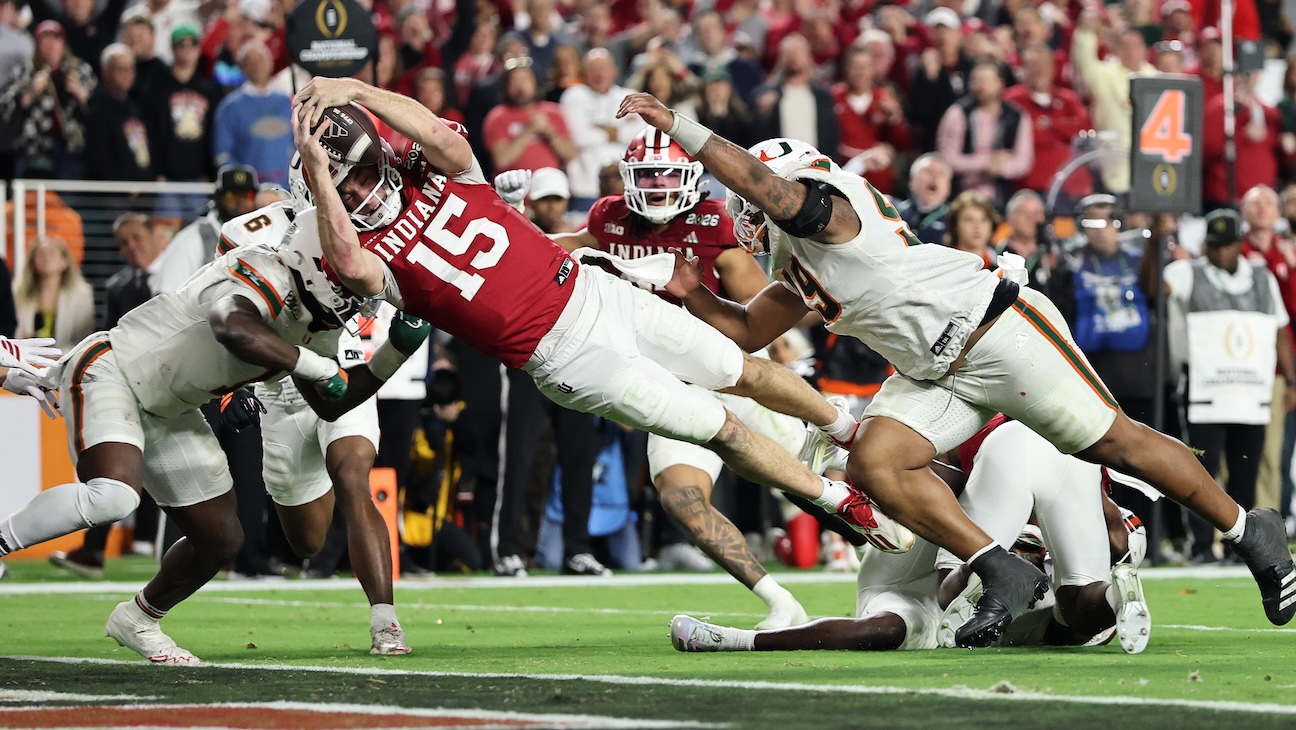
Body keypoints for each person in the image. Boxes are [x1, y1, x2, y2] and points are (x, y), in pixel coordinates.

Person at [614, 91, 1296, 648]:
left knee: (1115, 442)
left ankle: (1247, 528)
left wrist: (678, 126)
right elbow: (746, 329)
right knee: (875, 463)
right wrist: (692, 292)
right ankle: (998, 568)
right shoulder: (797, 256)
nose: (745, 213)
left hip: (996, 331)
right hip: (933, 371)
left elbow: (762, 186)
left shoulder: (832, 208)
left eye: (752, 197)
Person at [288, 78, 911, 558]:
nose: (359, 191)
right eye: (342, 189)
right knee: (715, 436)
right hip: (563, 350)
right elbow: (351, 263)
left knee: (741, 372)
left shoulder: (441, 171)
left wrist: (355, 90)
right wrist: (321, 171)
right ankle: (831, 509)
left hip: (602, 296)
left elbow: (434, 132)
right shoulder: (366, 251)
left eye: (361, 174)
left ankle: (848, 437)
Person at [0, 211, 424, 663]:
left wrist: (392, 354)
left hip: (171, 409)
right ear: (316, 263)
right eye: (345, 277)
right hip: (113, 370)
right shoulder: (261, 266)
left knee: (221, 539)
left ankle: (138, 619)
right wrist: (315, 365)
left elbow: (329, 403)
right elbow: (233, 327)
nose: (354, 292)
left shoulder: (314, 323)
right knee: (114, 496)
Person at [503, 128, 811, 627]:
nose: (659, 187)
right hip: (671, 385)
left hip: (731, 374)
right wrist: (512, 213)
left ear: (690, 178)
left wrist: (786, 355)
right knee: (680, 497)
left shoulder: (714, 222)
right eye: (647, 176)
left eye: (667, 175)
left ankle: (893, 545)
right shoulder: (609, 219)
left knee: (812, 475)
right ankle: (779, 601)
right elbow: (550, 252)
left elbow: (757, 312)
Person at [671, 416, 1151, 654]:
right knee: (1067, 608)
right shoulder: (1075, 496)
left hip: (960, 569)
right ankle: (1109, 591)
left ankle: (735, 639)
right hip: (933, 542)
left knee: (898, 626)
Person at [218, 182, 420, 654]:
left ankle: (385, 621)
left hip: (343, 367)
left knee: (353, 478)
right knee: (307, 542)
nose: (352, 189)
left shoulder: (374, 215)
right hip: (282, 386)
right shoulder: (250, 231)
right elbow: (225, 312)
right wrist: (233, 385)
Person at [1164, 209, 1295, 564]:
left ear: (1239, 244)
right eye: (1215, 245)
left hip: (1249, 391)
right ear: (1205, 246)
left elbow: (1280, 329)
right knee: (1199, 472)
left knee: (1245, 471)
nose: (1221, 252)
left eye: (1227, 245)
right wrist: (1158, 242)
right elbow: (1156, 289)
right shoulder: (1188, 272)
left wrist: (1290, 380)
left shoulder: (1262, 277)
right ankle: (1202, 546)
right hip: (1205, 391)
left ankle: (1242, 549)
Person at [0, 20, 94, 179]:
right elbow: (6, 109)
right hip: (35, 151)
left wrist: (79, 92)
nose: (51, 46)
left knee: (71, 185)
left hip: (73, 149)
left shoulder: (80, 71)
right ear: (37, 46)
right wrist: (30, 93)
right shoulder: (24, 73)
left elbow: (99, 110)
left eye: (55, 40)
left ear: (63, 44)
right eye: (45, 41)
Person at [935, 60, 1033, 210]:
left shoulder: (1017, 116)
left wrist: (1001, 167)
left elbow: (1023, 161)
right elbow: (947, 159)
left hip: (1002, 198)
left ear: (1000, 83)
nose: (979, 86)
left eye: (985, 81)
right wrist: (986, 162)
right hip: (962, 197)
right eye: (975, 80)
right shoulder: (957, 113)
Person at [152, 164, 260, 295]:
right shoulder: (193, 239)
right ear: (218, 198)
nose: (240, 201)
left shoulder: (264, 237)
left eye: (247, 194)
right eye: (232, 195)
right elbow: (166, 294)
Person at [13, 236, 95, 351]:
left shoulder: (82, 295)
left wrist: (57, 355)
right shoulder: (18, 293)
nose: (46, 258)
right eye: (40, 254)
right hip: (26, 357)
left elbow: (84, 339)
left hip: (67, 358)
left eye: (51, 253)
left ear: (64, 262)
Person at [894, 153, 952, 245]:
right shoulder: (894, 211)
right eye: (928, 171)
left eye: (941, 173)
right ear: (912, 181)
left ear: (948, 187)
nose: (934, 176)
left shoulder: (954, 219)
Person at [944, 191, 998, 269]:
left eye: (983, 220)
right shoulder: (944, 265)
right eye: (969, 220)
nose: (977, 226)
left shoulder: (1002, 267)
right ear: (955, 225)